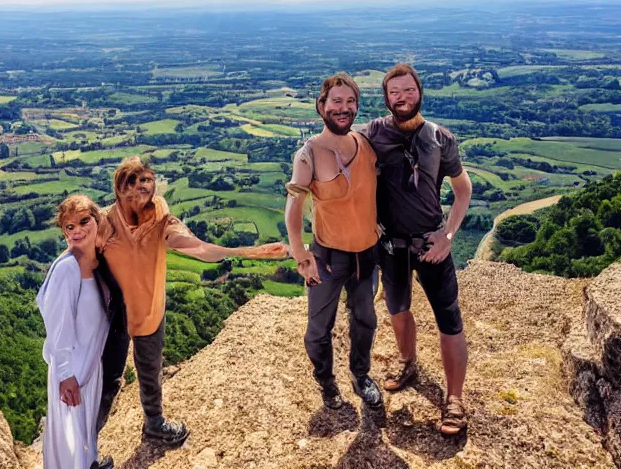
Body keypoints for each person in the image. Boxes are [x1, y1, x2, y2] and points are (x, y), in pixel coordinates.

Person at [95, 156, 289, 446]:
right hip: (110, 317)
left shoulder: (160, 218)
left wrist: (245, 252)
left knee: (150, 370)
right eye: (130, 183)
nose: (139, 189)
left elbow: (196, 247)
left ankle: (154, 424)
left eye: (145, 182)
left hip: (148, 309)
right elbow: (79, 259)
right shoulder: (104, 223)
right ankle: (86, 446)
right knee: (106, 384)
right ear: (118, 189)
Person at [357, 63, 473, 435]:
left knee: (449, 320)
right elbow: (342, 148)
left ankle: (454, 400)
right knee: (398, 309)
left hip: (430, 244)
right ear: (386, 98)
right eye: (394, 92)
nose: (402, 98)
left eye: (408, 91)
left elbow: (463, 189)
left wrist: (449, 236)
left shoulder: (440, 138)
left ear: (419, 92)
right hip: (391, 244)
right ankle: (408, 361)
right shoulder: (373, 132)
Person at [284, 72, 382, 412]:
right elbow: (293, 208)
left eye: (350, 102)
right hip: (327, 257)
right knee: (318, 329)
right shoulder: (309, 153)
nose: (344, 108)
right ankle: (326, 382)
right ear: (321, 106)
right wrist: (300, 254)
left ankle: (361, 375)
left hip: (366, 255)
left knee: (366, 319)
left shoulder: (366, 145)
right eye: (337, 101)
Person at [37, 195, 114, 469]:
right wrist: (65, 375)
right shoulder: (67, 268)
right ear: (63, 232)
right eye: (69, 227)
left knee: (84, 429)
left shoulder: (97, 262)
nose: (78, 230)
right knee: (69, 440)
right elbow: (57, 327)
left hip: (89, 365)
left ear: (97, 221)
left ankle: (91, 464)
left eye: (84, 221)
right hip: (70, 369)